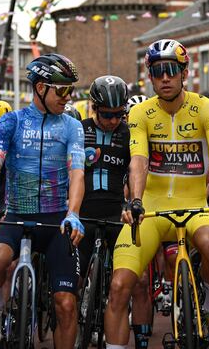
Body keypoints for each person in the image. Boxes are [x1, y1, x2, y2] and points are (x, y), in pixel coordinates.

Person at [104, 39, 209, 349]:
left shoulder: (204, 107)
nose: (164, 78)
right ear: (150, 76)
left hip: (195, 207)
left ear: (184, 73)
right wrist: (135, 200)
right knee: (119, 285)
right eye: (157, 72)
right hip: (151, 208)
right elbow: (138, 158)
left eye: (171, 71)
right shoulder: (140, 112)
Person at [0, 54, 85, 348]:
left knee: (65, 305)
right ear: (40, 88)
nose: (67, 96)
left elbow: (77, 173)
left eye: (70, 90)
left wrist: (73, 213)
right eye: (61, 89)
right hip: (15, 215)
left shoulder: (72, 126)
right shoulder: (12, 122)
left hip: (56, 219)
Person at [80, 75, 152, 349]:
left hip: (117, 212)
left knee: (140, 280)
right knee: (71, 282)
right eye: (106, 114)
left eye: (118, 114)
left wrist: (135, 201)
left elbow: (136, 166)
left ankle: (142, 339)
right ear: (94, 107)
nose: (112, 121)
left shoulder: (131, 132)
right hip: (84, 212)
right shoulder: (79, 129)